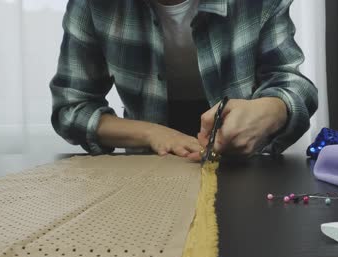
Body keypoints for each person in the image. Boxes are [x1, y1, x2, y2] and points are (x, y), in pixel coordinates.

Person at [50, 0, 318, 161]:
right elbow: (71, 109)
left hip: (244, 169)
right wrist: (151, 134)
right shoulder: (92, 5)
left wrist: (274, 109)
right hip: (145, 176)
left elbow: (294, 86)